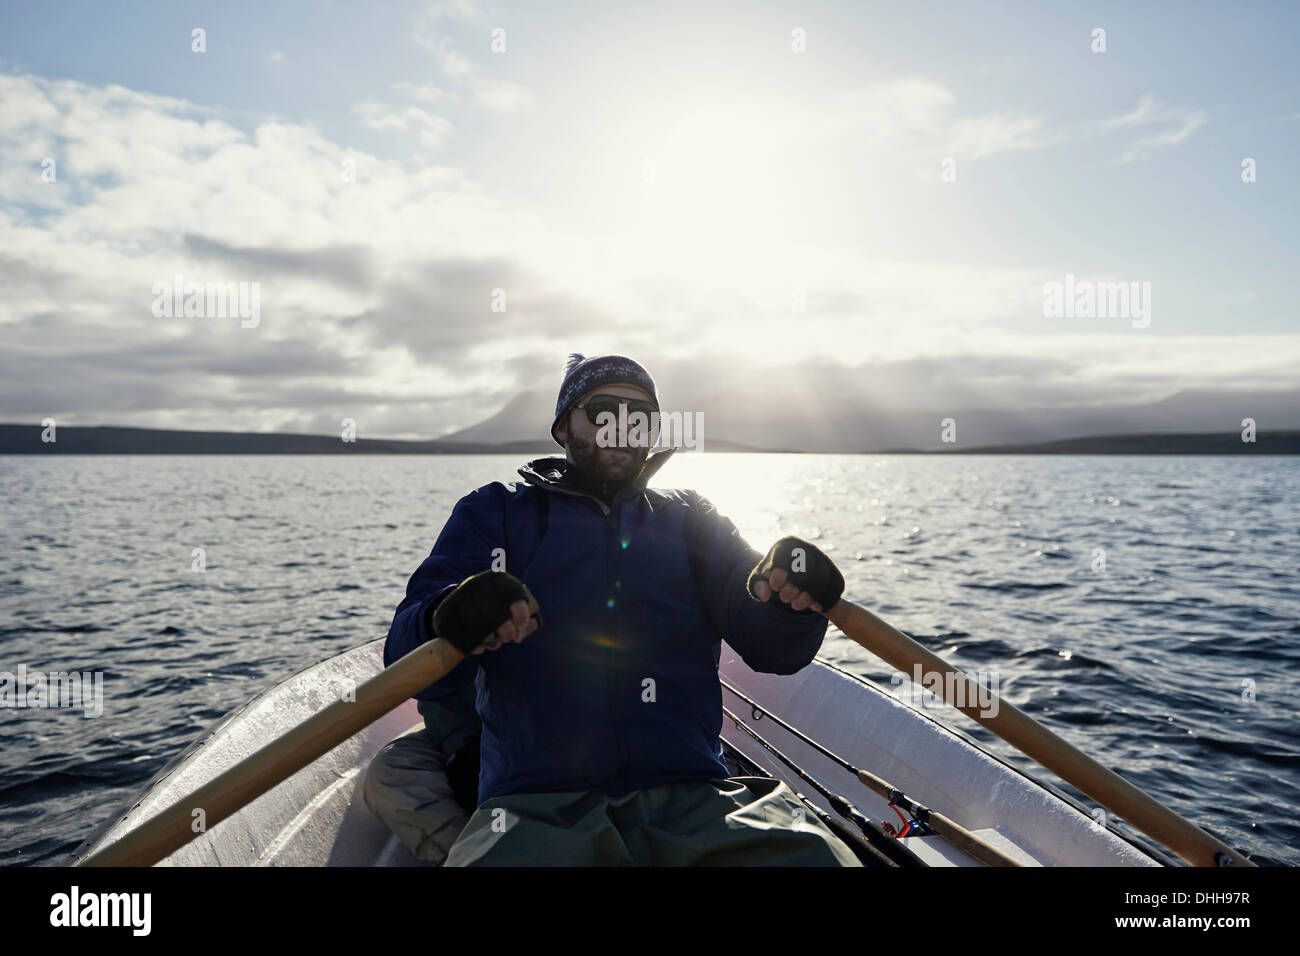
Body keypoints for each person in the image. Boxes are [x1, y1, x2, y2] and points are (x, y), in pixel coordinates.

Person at [362, 353, 859, 866]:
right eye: (602, 411)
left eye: (641, 415)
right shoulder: (496, 512)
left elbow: (770, 645)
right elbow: (411, 660)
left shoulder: (694, 520)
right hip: (536, 810)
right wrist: (450, 612)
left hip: (697, 799)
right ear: (563, 427)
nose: (622, 426)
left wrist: (792, 604)